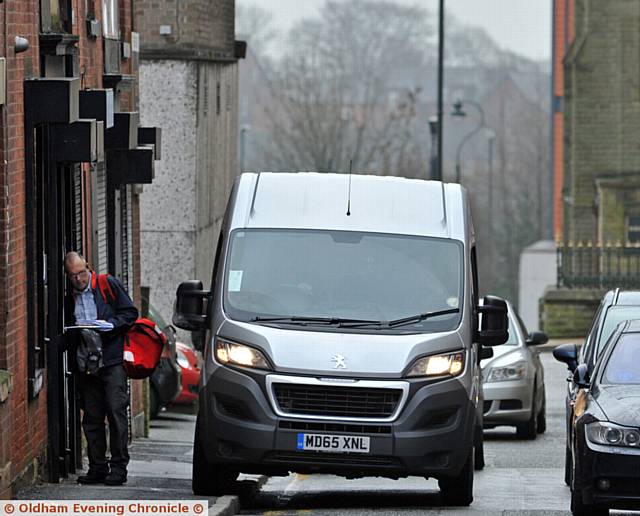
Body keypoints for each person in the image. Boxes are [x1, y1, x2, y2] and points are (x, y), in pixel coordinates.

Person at [64, 252, 138, 486]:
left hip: (112, 361)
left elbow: (130, 313)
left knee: (116, 414)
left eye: (82, 273)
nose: (79, 279)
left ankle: (118, 468)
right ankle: (97, 467)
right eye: (73, 276)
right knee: (92, 417)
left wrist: (112, 325)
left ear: (89, 267)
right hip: (86, 363)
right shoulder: (68, 297)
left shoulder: (107, 284)